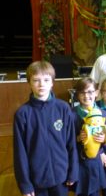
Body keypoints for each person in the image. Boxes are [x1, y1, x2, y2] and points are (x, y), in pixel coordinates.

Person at [13, 61, 78, 196]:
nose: (41, 84)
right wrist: (24, 183)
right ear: (29, 83)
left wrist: (73, 171)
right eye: (36, 80)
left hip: (61, 175)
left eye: (46, 80)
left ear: (52, 82)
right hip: (36, 178)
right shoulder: (22, 114)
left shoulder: (64, 108)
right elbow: (20, 152)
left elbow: (71, 143)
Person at [72, 77, 106, 196]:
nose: (86, 96)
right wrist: (78, 138)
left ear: (96, 93)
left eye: (90, 92)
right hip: (78, 159)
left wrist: (103, 140)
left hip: (94, 161)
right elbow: (65, 139)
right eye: (82, 92)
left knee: (94, 191)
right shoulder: (71, 114)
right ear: (77, 94)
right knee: (81, 191)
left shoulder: (103, 114)